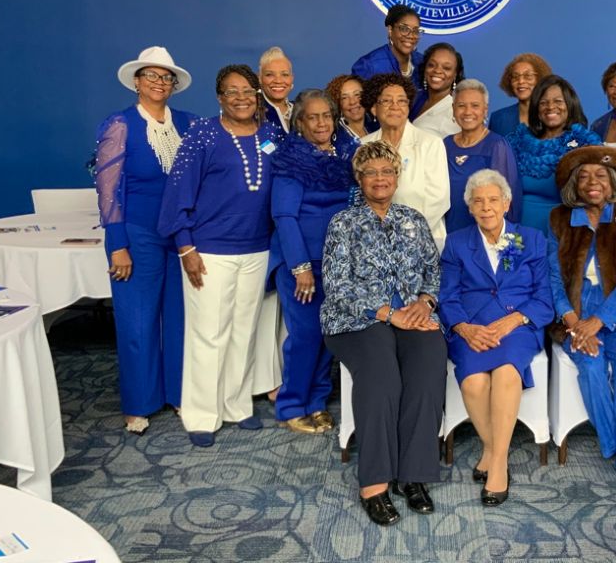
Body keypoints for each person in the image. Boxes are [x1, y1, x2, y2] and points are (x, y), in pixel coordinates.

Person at [322, 141, 446, 526]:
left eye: (387, 171)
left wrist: (425, 302)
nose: (380, 179)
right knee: (382, 378)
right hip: (357, 320)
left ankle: (413, 474)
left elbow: (433, 272)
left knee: (428, 368)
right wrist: (387, 314)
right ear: (359, 179)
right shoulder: (343, 223)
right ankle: (374, 483)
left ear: (397, 176)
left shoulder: (413, 219)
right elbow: (337, 286)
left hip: (410, 314)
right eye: (371, 173)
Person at [158, 64, 277, 447]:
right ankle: (201, 415)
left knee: (244, 330)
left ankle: (236, 405)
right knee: (208, 333)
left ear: (257, 96)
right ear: (219, 98)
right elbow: (178, 193)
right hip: (207, 249)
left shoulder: (271, 134)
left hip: (257, 248)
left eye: (247, 91)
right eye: (231, 91)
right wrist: (185, 246)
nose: (241, 98)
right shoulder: (202, 134)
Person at [546, 145, 616, 490]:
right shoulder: (560, 219)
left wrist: (599, 321)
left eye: (600, 175)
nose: (592, 182)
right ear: (574, 185)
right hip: (577, 310)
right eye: (583, 177)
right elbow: (554, 278)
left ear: (613, 182)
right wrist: (572, 321)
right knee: (592, 367)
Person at [94, 46, 196, 435]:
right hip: (137, 235)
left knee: (179, 320)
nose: (159, 82)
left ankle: (178, 394)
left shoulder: (188, 123)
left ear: (174, 85)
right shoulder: (120, 124)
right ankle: (139, 403)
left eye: (166, 77)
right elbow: (108, 191)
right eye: (151, 75)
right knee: (137, 321)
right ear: (137, 82)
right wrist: (116, 244)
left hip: (181, 236)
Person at [438, 169, 552, 506]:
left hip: (517, 326)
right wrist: (463, 328)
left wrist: (513, 320)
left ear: (506, 203)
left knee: (505, 373)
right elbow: (448, 297)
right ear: (469, 208)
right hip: (471, 326)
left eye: (493, 200)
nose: (486, 207)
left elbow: (543, 298)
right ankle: (492, 449)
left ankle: (497, 464)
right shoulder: (457, 243)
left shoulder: (530, 239)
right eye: (478, 201)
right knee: (473, 383)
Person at [270, 89, 356, 434]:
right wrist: (300, 267)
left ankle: (317, 401)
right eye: (312, 117)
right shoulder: (290, 160)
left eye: (326, 116)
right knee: (305, 335)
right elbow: (284, 216)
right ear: (299, 123)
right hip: (301, 264)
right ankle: (292, 405)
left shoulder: (344, 155)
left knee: (328, 334)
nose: (321, 123)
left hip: (336, 263)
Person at [361, 73, 451, 249]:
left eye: (402, 101)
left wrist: (406, 233)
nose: (395, 106)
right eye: (387, 101)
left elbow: (439, 199)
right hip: (375, 242)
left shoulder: (430, 143)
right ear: (374, 108)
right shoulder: (363, 145)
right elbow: (360, 196)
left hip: (422, 240)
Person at [507, 75, 600, 232]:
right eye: (543, 103)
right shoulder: (518, 141)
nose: (550, 107)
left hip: (564, 232)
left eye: (558, 101)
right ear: (536, 108)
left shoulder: (585, 143)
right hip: (519, 231)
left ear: (570, 104)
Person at [443, 80, 521, 234]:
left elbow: (508, 201)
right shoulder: (445, 144)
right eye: (461, 105)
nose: (468, 112)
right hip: (447, 233)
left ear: (485, 110)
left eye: (475, 106)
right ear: (453, 109)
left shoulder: (497, 145)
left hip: (484, 236)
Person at [351, 4, 424, 87]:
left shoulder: (422, 63)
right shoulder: (369, 66)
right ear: (390, 30)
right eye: (404, 29)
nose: (411, 35)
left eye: (416, 31)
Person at [488, 53, 551, 137]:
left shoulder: (553, 115)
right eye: (515, 76)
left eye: (528, 76)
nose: (521, 81)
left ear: (540, 79)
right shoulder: (498, 119)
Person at [410, 42, 464, 138]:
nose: (437, 70)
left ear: (455, 75)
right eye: (431, 65)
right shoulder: (415, 99)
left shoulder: (455, 110)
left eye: (446, 68)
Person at [258, 46, 294, 144]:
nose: (278, 81)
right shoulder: (253, 115)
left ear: (292, 78)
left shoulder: (302, 110)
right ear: (260, 78)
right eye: (269, 75)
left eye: (285, 74)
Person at [325, 73, 370, 144]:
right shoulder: (336, 138)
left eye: (357, 94)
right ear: (337, 103)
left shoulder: (376, 126)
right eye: (344, 98)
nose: (352, 102)